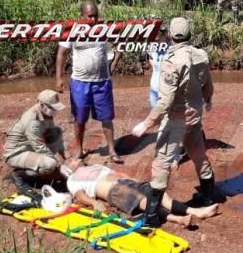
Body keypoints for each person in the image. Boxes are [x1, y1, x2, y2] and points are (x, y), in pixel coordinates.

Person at [131, 17, 215, 227]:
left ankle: (150, 216)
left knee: (161, 163)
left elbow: (165, 100)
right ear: (189, 34)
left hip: (177, 118)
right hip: (194, 115)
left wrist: (146, 123)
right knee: (197, 153)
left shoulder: (172, 61)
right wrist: (208, 100)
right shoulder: (201, 55)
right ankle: (209, 195)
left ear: (170, 35)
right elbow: (208, 84)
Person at [55, 0, 123, 164]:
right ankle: (79, 150)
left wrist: (113, 64)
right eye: (90, 16)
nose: (93, 19)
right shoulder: (72, 31)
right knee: (80, 119)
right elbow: (61, 54)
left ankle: (112, 150)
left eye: (96, 15)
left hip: (102, 82)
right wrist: (59, 77)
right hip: (80, 83)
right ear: (82, 16)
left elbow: (121, 44)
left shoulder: (105, 29)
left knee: (107, 118)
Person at [61, 161, 219, 228]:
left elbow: (117, 172)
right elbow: (80, 195)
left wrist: (136, 180)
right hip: (113, 190)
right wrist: (93, 203)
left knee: (159, 195)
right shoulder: (72, 179)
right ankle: (177, 219)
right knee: (145, 202)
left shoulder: (93, 166)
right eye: (71, 160)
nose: (75, 159)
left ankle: (196, 211)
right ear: (69, 169)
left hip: (126, 182)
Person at [3, 89, 69, 197]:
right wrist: (58, 165)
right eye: (52, 108)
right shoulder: (32, 121)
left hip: (31, 147)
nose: (54, 111)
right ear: (42, 104)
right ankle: (20, 175)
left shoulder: (46, 114)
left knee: (56, 132)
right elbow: (39, 147)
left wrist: (65, 156)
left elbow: (53, 135)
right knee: (50, 164)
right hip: (17, 153)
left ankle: (39, 168)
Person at [148, 28, 186, 162]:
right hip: (154, 90)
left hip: (168, 92)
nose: (155, 38)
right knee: (159, 122)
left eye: (157, 34)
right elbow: (150, 59)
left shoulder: (173, 49)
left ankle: (174, 156)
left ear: (166, 34)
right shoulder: (152, 45)